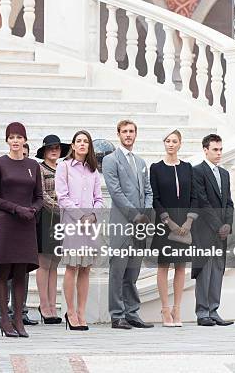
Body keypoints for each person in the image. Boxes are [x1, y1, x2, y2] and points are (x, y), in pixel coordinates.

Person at [0, 122, 43, 338]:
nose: (15, 141)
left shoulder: (33, 165)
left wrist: (33, 210)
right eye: (11, 137)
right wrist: (16, 209)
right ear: (7, 140)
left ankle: (18, 318)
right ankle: (4, 318)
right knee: (3, 271)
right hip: (6, 222)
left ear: (25, 140)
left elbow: (39, 197)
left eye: (19, 137)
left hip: (26, 223)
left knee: (21, 272)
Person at [102, 120, 154, 330]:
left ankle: (132, 313)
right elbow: (116, 192)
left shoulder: (141, 162)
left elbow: (148, 190)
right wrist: (135, 215)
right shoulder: (110, 160)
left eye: (132, 131)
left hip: (141, 225)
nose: (128, 135)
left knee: (133, 272)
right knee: (118, 271)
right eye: (125, 131)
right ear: (118, 134)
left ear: (136, 134)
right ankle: (117, 315)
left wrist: (146, 212)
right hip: (122, 223)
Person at [56, 130, 104, 331]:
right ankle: (70, 312)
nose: (82, 144)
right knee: (72, 267)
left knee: (86, 268)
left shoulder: (93, 171)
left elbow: (99, 198)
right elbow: (62, 196)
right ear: (73, 146)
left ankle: (82, 312)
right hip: (72, 224)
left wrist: (92, 216)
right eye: (79, 141)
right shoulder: (64, 167)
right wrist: (80, 216)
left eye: (86, 141)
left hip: (90, 226)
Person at [150, 130, 198, 327]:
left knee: (180, 266)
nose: (171, 144)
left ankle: (177, 309)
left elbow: (195, 197)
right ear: (164, 143)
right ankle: (165, 310)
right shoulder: (156, 168)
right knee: (164, 266)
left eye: (174, 141)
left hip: (185, 225)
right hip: (165, 224)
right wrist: (168, 221)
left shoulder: (188, 168)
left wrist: (188, 222)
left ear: (180, 144)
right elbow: (155, 198)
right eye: (168, 141)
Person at [192, 134, 234, 327]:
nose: (218, 153)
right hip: (204, 230)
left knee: (218, 270)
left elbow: (229, 203)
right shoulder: (197, 171)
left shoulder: (225, 174)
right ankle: (202, 313)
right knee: (204, 270)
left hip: (221, 232)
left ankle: (214, 310)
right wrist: (218, 226)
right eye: (215, 149)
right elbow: (202, 202)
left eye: (220, 149)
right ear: (205, 150)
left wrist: (227, 225)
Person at [35, 135, 69, 325]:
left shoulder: (64, 168)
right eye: (50, 148)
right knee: (44, 263)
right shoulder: (39, 168)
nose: (54, 151)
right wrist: (60, 208)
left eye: (56, 147)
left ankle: (52, 305)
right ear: (44, 151)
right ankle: (44, 304)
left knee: (55, 263)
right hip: (47, 218)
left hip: (63, 219)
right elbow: (42, 195)